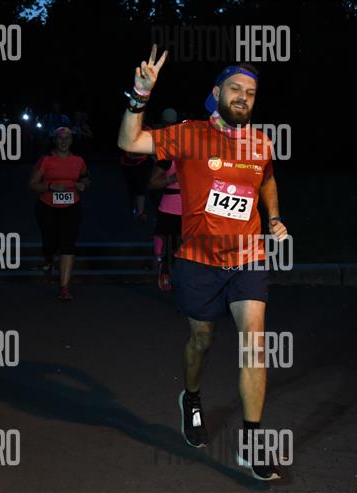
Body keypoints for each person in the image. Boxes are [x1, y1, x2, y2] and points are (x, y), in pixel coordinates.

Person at [117, 46, 288, 481]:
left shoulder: (260, 142)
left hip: (248, 256)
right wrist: (140, 96)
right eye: (235, 88)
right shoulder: (189, 134)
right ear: (216, 93)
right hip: (198, 260)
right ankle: (191, 398)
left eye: (250, 92)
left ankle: (252, 443)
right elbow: (129, 142)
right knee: (202, 340)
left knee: (255, 343)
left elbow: (267, 178)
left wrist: (273, 217)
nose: (243, 97)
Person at [28, 127, 90, 300]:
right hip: (47, 207)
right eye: (60, 138)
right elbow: (32, 184)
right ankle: (48, 259)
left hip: (72, 207)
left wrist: (83, 185)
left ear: (71, 141)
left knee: (68, 245)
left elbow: (86, 178)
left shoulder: (78, 160)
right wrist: (50, 186)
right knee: (50, 243)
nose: (64, 141)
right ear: (54, 140)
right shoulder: (46, 160)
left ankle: (64, 288)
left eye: (67, 138)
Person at [147, 154, 181, 291]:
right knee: (168, 249)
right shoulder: (168, 160)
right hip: (170, 211)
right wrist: (172, 178)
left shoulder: (201, 157)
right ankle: (164, 270)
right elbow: (152, 183)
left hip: (193, 210)